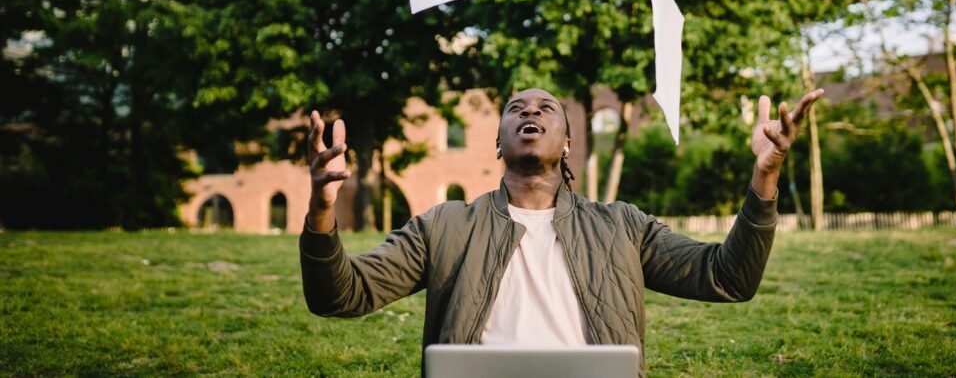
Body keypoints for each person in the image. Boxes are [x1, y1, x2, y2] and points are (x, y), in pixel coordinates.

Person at [300, 87, 823, 376]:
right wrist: (323, 206)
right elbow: (340, 296)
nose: (530, 111)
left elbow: (728, 278)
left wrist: (765, 177)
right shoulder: (446, 225)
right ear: (500, 145)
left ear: (568, 144)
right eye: (516, 109)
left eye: (546, 108)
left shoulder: (622, 225)